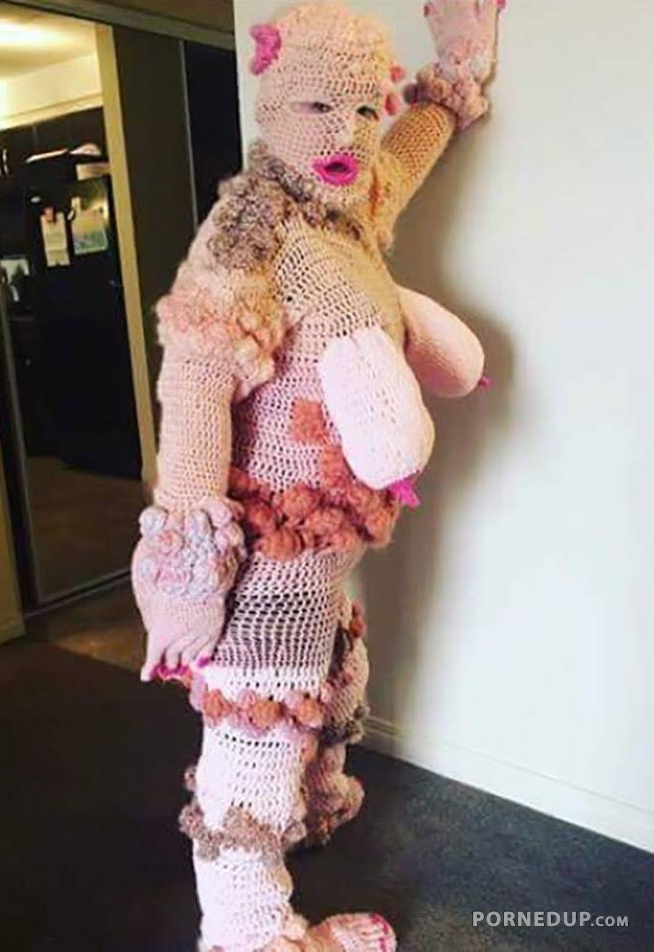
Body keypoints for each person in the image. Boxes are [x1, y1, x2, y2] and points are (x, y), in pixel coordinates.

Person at [131, 2, 503, 948]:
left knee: (336, 673)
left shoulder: (348, 206)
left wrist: (453, 80)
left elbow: (401, 156)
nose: (344, 135)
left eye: (361, 109)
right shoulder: (246, 236)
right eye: (316, 108)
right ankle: (250, 930)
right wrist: (187, 556)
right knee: (254, 736)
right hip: (265, 555)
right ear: (271, 106)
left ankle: (315, 797)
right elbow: (195, 385)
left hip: (324, 547)